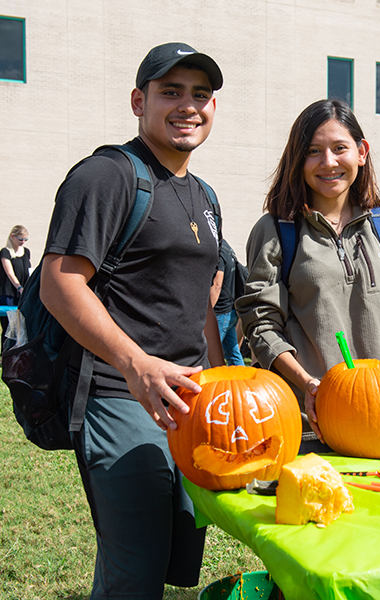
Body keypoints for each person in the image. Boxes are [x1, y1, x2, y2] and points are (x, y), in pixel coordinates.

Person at [39, 42, 225, 599]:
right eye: (171, 92)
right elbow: (60, 282)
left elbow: (203, 302)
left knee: (169, 561)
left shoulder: (206, 194)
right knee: (135, 572)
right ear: (138, 101)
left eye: (201, 94)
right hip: (121, 394)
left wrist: (221, 382)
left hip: (191, 401)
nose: (188, 106)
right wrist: (136, 365)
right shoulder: (107, 175)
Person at [236, 99, 380, 447]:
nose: (328, 163)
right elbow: (260, 324)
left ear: (361, 152)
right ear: (298, 159)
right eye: (313, 151)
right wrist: (308, 384)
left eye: (340, 148)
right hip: (309, 421)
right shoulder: (277, 231)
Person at [210, 239, 245, 365]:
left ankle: (211, 382)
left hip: (221, 311)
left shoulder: (219, 251)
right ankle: (242, 381)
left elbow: (217, 285)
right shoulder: (228, 248)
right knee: (232, 352)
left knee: (210, 352)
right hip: (231, 310)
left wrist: (206, 312)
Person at [0, 225, 31, 348]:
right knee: (8, 325)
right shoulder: (5, 252)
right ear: (12, 236)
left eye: (25, 239)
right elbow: (9, 273)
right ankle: (5, 352)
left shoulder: (26, 252)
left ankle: (18, 350)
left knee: (20, 325)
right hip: (9, 294)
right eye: (20, 239)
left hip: (22, 293)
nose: (23, 242)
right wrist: (19, 287)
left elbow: (28, 270)